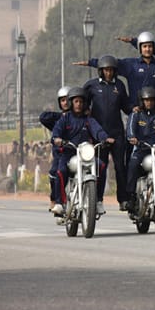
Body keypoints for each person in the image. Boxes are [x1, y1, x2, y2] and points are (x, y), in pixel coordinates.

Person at [51, 87, 115, 215]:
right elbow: (56, 132)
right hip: (68, 153)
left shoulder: (88, 120)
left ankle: (98, 201)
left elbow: (98, 130)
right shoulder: (65, 118)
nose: (79, 104)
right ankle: (59, 202)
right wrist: (57, 139)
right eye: (76, 102)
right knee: (60, 171)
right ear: (71, 103)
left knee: (101, 166)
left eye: (81, 102)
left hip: (85, 154)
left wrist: (105, 138)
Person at [82, 55, 131, 213]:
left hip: (117, 133)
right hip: (99, 134)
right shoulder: (92, 86)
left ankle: (123, 199)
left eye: (111, 70)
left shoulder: (120, 86)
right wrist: (85, 111)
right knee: (100, 168)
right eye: (106, 70)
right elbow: (81, 102)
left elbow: (126, 107)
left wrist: (137, 108)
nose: (108, 73)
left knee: (120, 167)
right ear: (100, 71)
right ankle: (97, 200)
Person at [74, 31, 155, 110]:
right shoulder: (131, 65)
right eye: (144, 46)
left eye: (150, 46)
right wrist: (91, 62)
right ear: (140, 48)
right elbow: (109, 63)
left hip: (153, 109)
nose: (147, 49)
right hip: (136, 109)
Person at [39, 85, 72, 213]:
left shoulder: (79, 117)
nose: (65, 102)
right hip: (60, 154)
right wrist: (62, 115)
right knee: (55, 173)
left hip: (77, 152)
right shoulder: (57, 119)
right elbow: (43, 117)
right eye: (62, 100)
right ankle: (55, 199)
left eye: (68, 99)